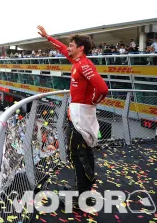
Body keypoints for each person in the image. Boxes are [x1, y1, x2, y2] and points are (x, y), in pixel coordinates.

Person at [37, 25, 109, 208]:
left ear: (80, 48)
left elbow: (102, 89)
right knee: (81, 153)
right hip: (79, 114)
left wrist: (91, 102)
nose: (68, 48)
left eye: (71, 45)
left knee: (78, 155)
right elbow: (62, 49)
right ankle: (84, 191)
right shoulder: (77, 62)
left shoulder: (84, 65)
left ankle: (82, 197)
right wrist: (48, 37)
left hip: (81, 117)